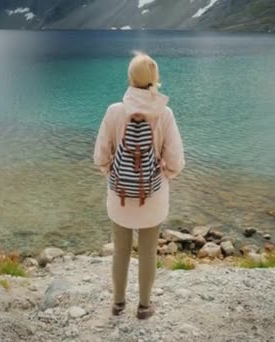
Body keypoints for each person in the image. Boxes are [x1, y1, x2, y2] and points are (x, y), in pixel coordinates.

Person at [93, 51, 185, 319]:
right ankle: (144, 306)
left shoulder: (114, 111)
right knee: (147, 252)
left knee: (120, 251)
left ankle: (118, 303)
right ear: (154, 80)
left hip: (120, 195)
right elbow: (176, 161)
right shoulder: (164, 114)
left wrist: (111, 172)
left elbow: (100, 156)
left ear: (129, 78)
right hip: (152, 197)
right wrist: (164, 175)